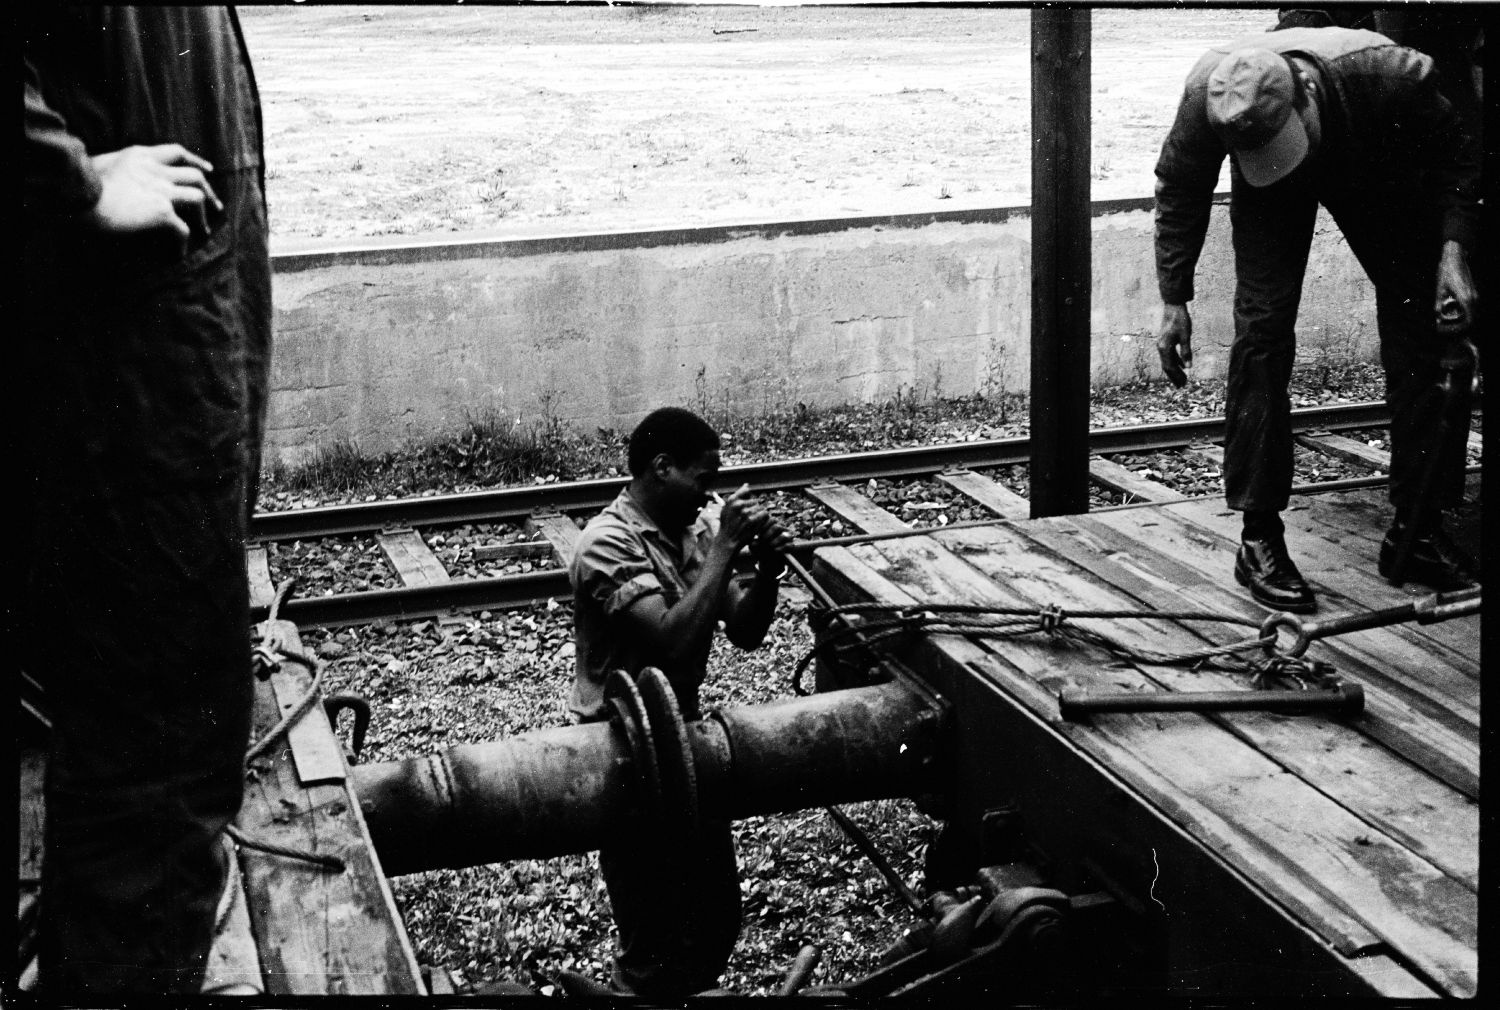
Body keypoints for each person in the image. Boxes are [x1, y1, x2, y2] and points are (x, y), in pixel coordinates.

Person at [21, 7, 272, 994]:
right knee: (152, 790)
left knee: (150, 779)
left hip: (159, 352)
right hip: (128, 367)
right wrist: (69, 179)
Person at [1153, 25, 1480, 612]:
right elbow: (1180, 185)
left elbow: (1461, 151)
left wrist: (1452, 251)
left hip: (1371, 152)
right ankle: (1258, 541)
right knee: (1262, 332)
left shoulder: (1391, 77)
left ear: (1303, 92)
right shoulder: (1215, 95)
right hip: (1272, 190)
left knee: (1421, 325)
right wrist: (1174, 297)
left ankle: (1419, 528)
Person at [568, 407, 794, 997]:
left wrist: (767, 570)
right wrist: (725, 549)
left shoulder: (690, 531)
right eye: (703, 476)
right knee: (653, 933)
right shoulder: (605, 544)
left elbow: (744, 630)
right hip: (620, 750)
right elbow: (671, 640)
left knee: (716, 919)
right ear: (662, 468)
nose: (710, 492)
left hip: (678, 735)